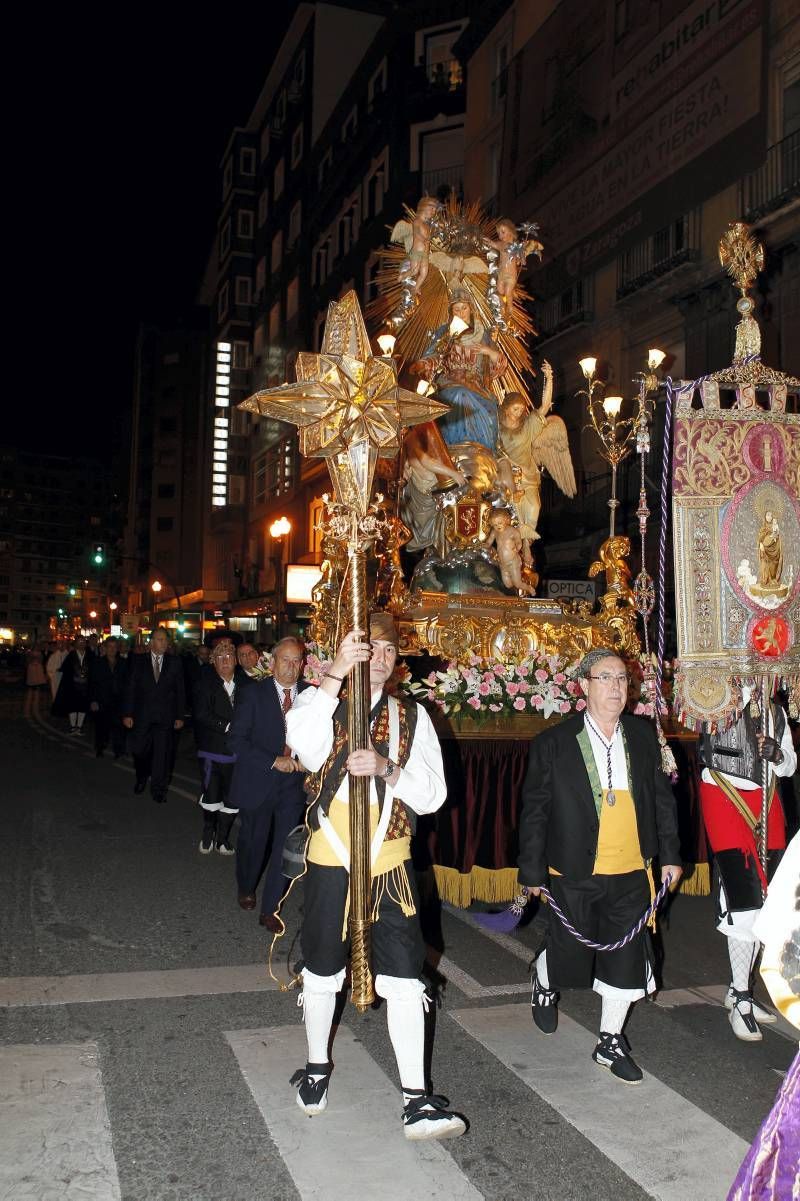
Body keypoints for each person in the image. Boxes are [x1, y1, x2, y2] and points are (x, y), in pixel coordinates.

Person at [285, 613, 466, 1140]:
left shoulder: (413, 717)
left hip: (389, 862)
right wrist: (336, 673)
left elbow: (434, 796)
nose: (381, 656)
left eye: (389, 649)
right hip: (332, 857)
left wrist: (389, 769)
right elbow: (303, 742)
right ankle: (316, 1070)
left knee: (406, 975)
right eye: (371, 647)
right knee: (321, 966)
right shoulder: (322, 702)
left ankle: (416, 1099)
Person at [518, 647, 682, 1084]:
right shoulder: (553, 742)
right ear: (583, 686)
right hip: (572, 870)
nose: (616, 687)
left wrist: (670, 856)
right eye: (606, 677)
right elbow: (535, 811)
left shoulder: (644, 736)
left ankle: (609, 1040)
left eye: (623, 679)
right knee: (573, 955)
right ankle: (544, 975)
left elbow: (662, 802)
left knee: (626, 960)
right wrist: (531, 871)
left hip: (632, 871)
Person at [698, 685, 796, 1041]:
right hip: (724, 794)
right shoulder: (713, 698)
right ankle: (740, 996)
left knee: (767, 902)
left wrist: (778, 755)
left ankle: (740, 988)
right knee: (742, 899)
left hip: (767, 800)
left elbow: (789, 765)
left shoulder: (776, 713)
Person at [228, 637, 309, 932]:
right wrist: (274, 760)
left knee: (286, 846)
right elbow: (236, 740)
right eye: (285, 660)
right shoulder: (252, 694)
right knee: (253, 841)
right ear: (272, 662)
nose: (291, 666)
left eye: (297, 660)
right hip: (259, 779)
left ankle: (271, 908)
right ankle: (246, 884)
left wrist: (307, 761)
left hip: (293, 785)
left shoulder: (311, 695)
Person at [411, 294, 507, 451]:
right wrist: (424, 363)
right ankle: (455, 446)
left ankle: (486, 449)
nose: (461, 313)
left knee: (488, 408)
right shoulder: (445, 333)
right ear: (451, 312)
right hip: (449, 382)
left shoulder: (482, 334)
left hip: (476, 385)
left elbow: (500, 364)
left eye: (464, 308)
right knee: (460, 394)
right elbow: (434, 355)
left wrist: (487, 350)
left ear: (471, 310)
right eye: (457, 309)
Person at [497, 366, 576, 553]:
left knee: (534, 507)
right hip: (507, 476)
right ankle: (520, 548)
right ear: (506, 409)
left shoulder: (529, 425)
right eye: (515, 409)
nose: (518, 413)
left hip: (528, 475)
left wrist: (549, 378)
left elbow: (545, 406)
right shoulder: (497, 428)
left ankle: (527, 545)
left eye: (521, 409)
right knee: (512, 517)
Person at [193, 642, 253, 855]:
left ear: (236, 660)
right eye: (220, 657)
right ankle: (208, 832)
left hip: (239, 753)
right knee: (212, 795)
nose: (225, 661)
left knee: (232, 797)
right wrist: (228, 726)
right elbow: (201, 714)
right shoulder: (204, 684)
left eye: (229, 656)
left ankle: (223, 838)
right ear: (213, 662)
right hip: (213, 751)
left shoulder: (247, 685)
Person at [122, 628, 186, 803]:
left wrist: (180, 715)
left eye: (165, 640)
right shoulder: (137, 661)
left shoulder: (175, 662)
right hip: (142, 716)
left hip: (165, 717)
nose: (164, 643)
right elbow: (130, 689)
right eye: (159, 640)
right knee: (140, 751)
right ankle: (142, 776)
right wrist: (128, 713)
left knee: (162, 755)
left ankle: (159, 789)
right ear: (151, 643)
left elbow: (180, 690)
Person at [400, 425, 465, 554]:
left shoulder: (408, 437)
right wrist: (453, 474)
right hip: (427, 489)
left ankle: (438, 548)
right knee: (434, 524)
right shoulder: (411, 437)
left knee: (437, 523)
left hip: (428, 487)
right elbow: (426, 461)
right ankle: (438, 549)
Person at [88, 637, 128, 758]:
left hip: (118, 700)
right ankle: (100, 747)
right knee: (101, 726)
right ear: (105, 648)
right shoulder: (98, 662)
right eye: (109, 647)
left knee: (119, 727)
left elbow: (128, 683)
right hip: (102, 700)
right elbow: (92, 683)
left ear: (118, 648)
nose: (112, 649)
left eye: (114, 647)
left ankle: (118, 750)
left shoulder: (123, 663)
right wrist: (93, 700)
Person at [485, 509, 535, 595]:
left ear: (507, 520)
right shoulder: (494, 532)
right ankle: (515, 589)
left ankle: (529, 588)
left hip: (513, 562)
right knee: (508, 585)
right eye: (495, 525)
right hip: (502, 564)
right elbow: (489, 542)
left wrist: (517, 547)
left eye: (500, 523)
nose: (497, 526)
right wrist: (485, 545)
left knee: (517, 583)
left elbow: (519, 542)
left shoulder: (512, 531)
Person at [52, 636, 91, 733]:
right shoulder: (71, 655)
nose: (81, 644)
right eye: (79, 642)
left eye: (83, 642)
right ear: (76, 644)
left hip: (85, 686)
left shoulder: (90, 655)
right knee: (72, 706)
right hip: (73, 685)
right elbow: (65, 668)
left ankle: (80, 726)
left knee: (83, 706)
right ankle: (73, 726)